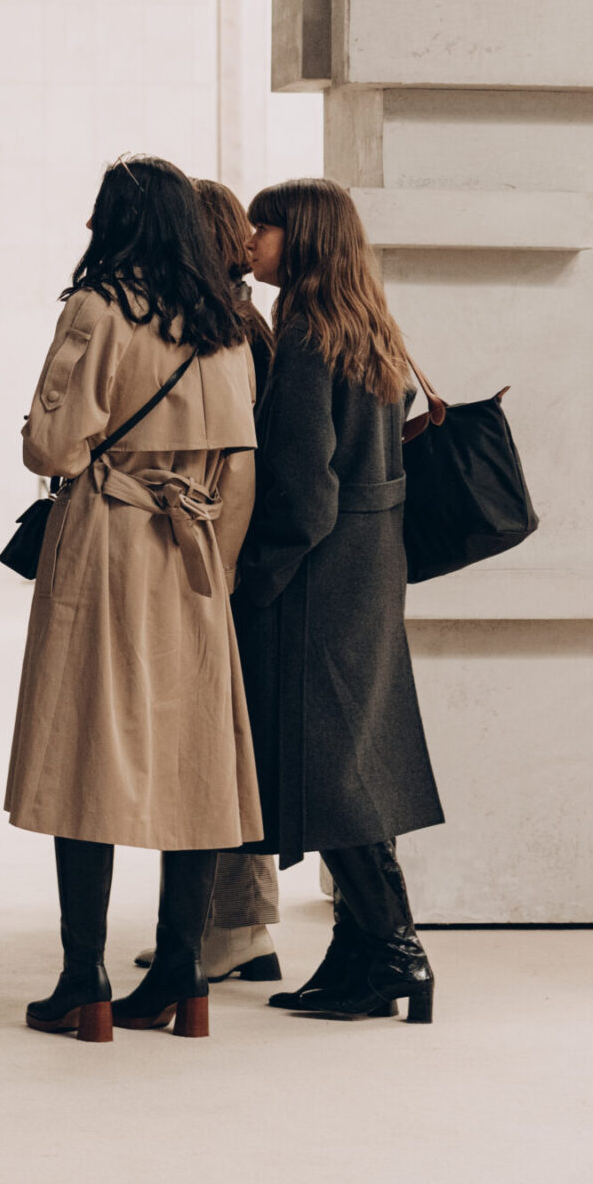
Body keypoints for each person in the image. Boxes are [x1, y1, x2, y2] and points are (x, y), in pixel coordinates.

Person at [8, 156, 262, 1044]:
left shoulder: (97, 308)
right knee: (196, 760)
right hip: (196, 558)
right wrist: (215, 569)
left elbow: (51, 449)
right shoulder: (227, 325)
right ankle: (184, 974)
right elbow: (242, 471)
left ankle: (85, 980)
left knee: (88, 750)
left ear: (116, 222)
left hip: (108, 548)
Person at [236, 177, 442, 1024]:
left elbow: (304, 493)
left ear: (305, 237)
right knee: (354, 759)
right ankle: (359, 948)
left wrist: (255, 579)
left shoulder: (306, 335)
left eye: (265, 226)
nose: (250, 239)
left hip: (318, 581)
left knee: (331, 769)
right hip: (369, 568)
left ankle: (396, 951)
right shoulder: (368, 325)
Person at [130, 179, 284, 985]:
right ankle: (217, 926)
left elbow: (244, 460)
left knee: (219, 748)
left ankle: (236, 925)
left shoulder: (232, 329)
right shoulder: (234, 323)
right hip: (227, 558)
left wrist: (223, 565)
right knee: (214, 745)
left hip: (225, 562)